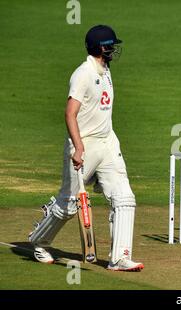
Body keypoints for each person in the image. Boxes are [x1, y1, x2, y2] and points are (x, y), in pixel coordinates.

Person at [28, 25, 144, 271]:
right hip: (84, 145)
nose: (113, 50)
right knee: (68, 206)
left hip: (108, 143)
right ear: (99, 48)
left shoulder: (106, 69)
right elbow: (70, 114)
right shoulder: (82, 73)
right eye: (110, 46)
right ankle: (39, 241)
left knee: (124, 198)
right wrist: (78, 148)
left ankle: (120, 258)